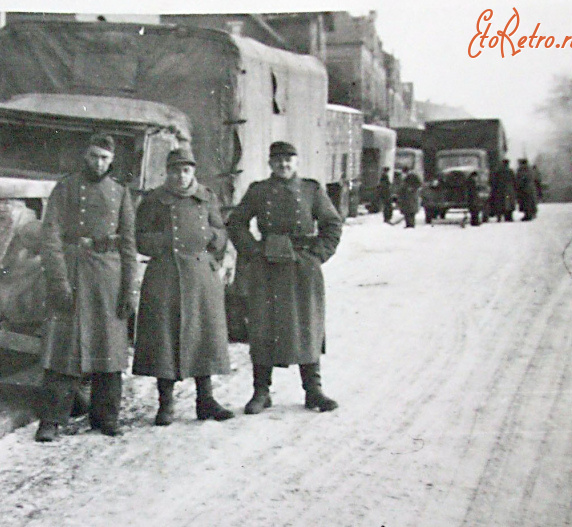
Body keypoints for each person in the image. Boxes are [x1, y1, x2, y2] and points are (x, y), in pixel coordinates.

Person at [35, 133, 139, 442]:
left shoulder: (120, 193)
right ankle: (52, 420)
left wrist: (128, 290)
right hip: (72, 269)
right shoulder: (65, 188)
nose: (99, 163)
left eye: (105, 158)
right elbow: (50, 236)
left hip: (108, 276)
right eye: (94, 156)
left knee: (109, 347)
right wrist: (59, 280)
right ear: (85, 155)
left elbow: (129, 245)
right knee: (62, 348)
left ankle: (105, 417)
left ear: (112, 160)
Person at [226, 141, 342, 414]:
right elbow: (236, 222)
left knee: (307, 326)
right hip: (267, 266)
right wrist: (253, 251)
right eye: (278, 160)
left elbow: (332, 223)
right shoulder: (259, 191)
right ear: (270, 164)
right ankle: (261, 391)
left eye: (289, 160)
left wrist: (318, 255)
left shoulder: (311, 190)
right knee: (263, 326)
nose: (284, 165)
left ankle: (313, 391)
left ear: (297, 162)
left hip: (302, 267)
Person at [132, 147, 234, 426]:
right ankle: (165, 404)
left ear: (194, 172)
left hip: (201, 274)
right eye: (175, 170)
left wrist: (212, 240)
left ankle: (206, 400)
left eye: (186, 170)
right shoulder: (154, 199)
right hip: (165, 274)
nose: (181, 175)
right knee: (164, 338)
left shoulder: (206, 197)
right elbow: (138, 237)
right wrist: (165, 242)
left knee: (204, 336)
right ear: (167, 172)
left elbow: (221, 231)